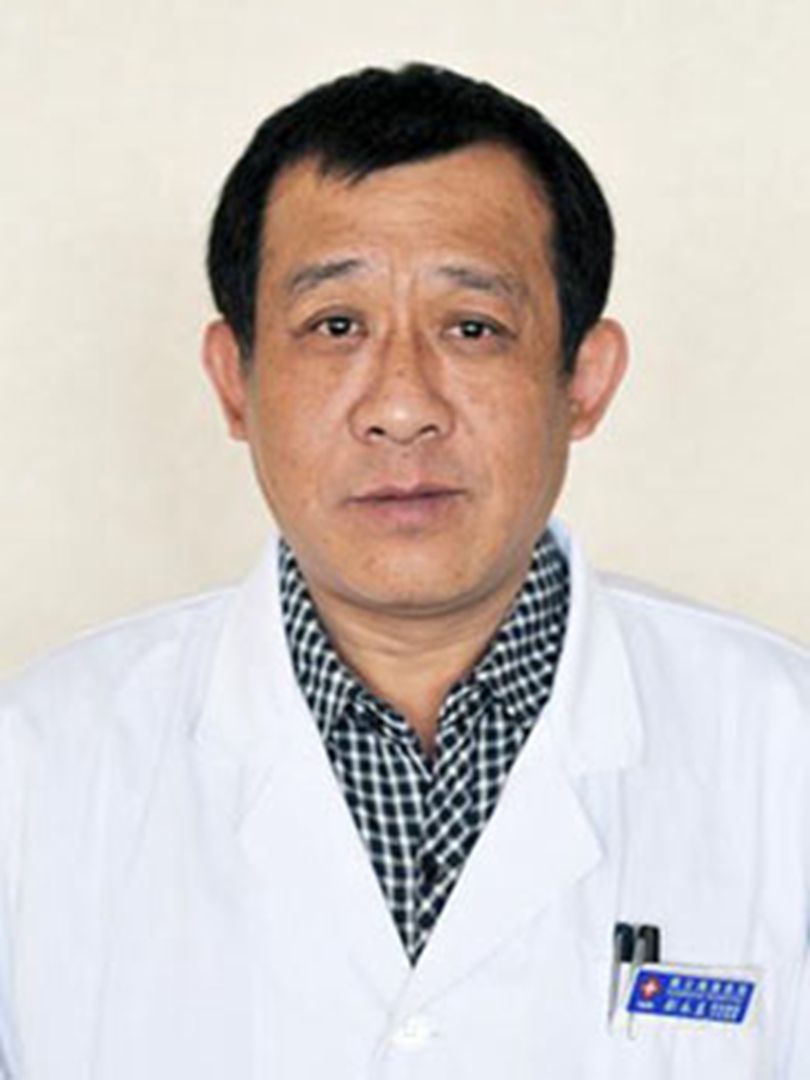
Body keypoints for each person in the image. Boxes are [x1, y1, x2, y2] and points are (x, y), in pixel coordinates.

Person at [0, 62, 808, 1080]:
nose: (401, 406)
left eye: (472, 328)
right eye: (336, 327)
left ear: (585, 381)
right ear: (234, 381)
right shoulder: (35, 771)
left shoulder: (784, 754)